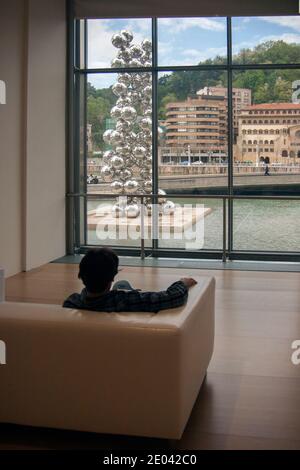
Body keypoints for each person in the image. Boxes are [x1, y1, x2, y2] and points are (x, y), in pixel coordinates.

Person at [63, 248, 197, 313]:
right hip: (120, 297)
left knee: (121, 285)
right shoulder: (125, 301)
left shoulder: (72, 302)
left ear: (82, 276)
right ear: (111, 278)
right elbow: (172, 297)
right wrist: (183, 282)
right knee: (123, 287)